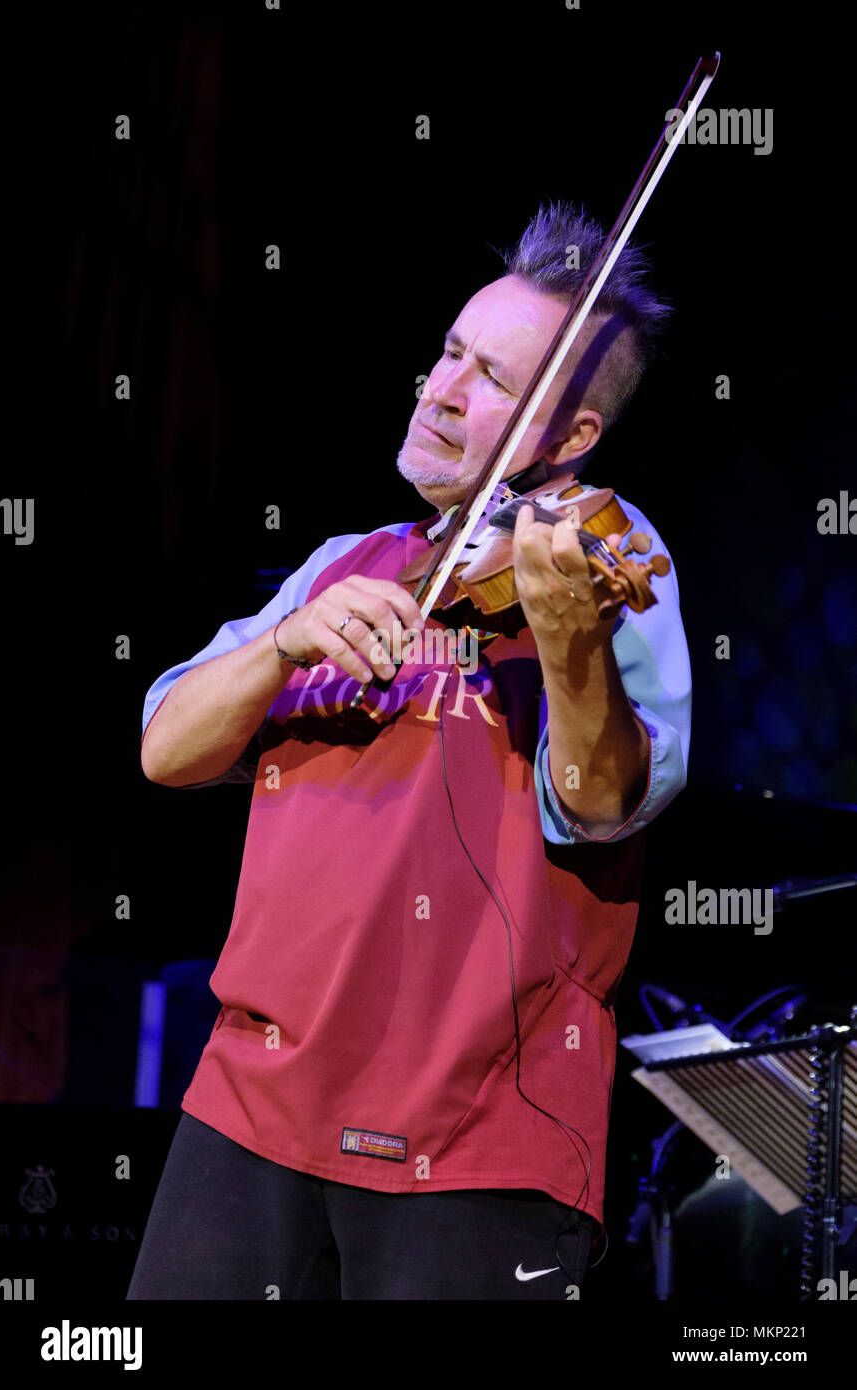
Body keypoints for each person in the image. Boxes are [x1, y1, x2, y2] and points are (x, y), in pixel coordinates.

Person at [126, 202, 691, 1301]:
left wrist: (568, 643)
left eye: (489, 379)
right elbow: (166, 749)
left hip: (480, 1142)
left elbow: (607, 800)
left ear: (567, 440)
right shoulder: (346, 562)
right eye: (448, 352)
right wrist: (282, 646)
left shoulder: (606, 563)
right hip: (249, 1111)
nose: (437, 389)